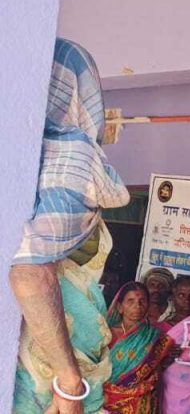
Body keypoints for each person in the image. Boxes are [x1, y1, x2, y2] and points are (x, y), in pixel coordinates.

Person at [11, 38, 131, 414]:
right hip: (45, 378)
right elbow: (30, 274)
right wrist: (69, 383)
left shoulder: (19, 150)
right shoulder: (69, 162)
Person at [103, 282, 176, 413]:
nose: (137, 305)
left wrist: (168, 359)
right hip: (105, 401)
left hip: (140, 403)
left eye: (142, 301)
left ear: (148, 305)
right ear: (120, 307)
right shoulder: (105, 334)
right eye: (130, 301)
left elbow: (156, 371)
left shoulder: (155, 337)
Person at [160, 275, 190, 414]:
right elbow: (149, 367)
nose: (187, 300)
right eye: (181, 295)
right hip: (167, 393)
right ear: (172, 297)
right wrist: (166, 357)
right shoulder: (159, 329)